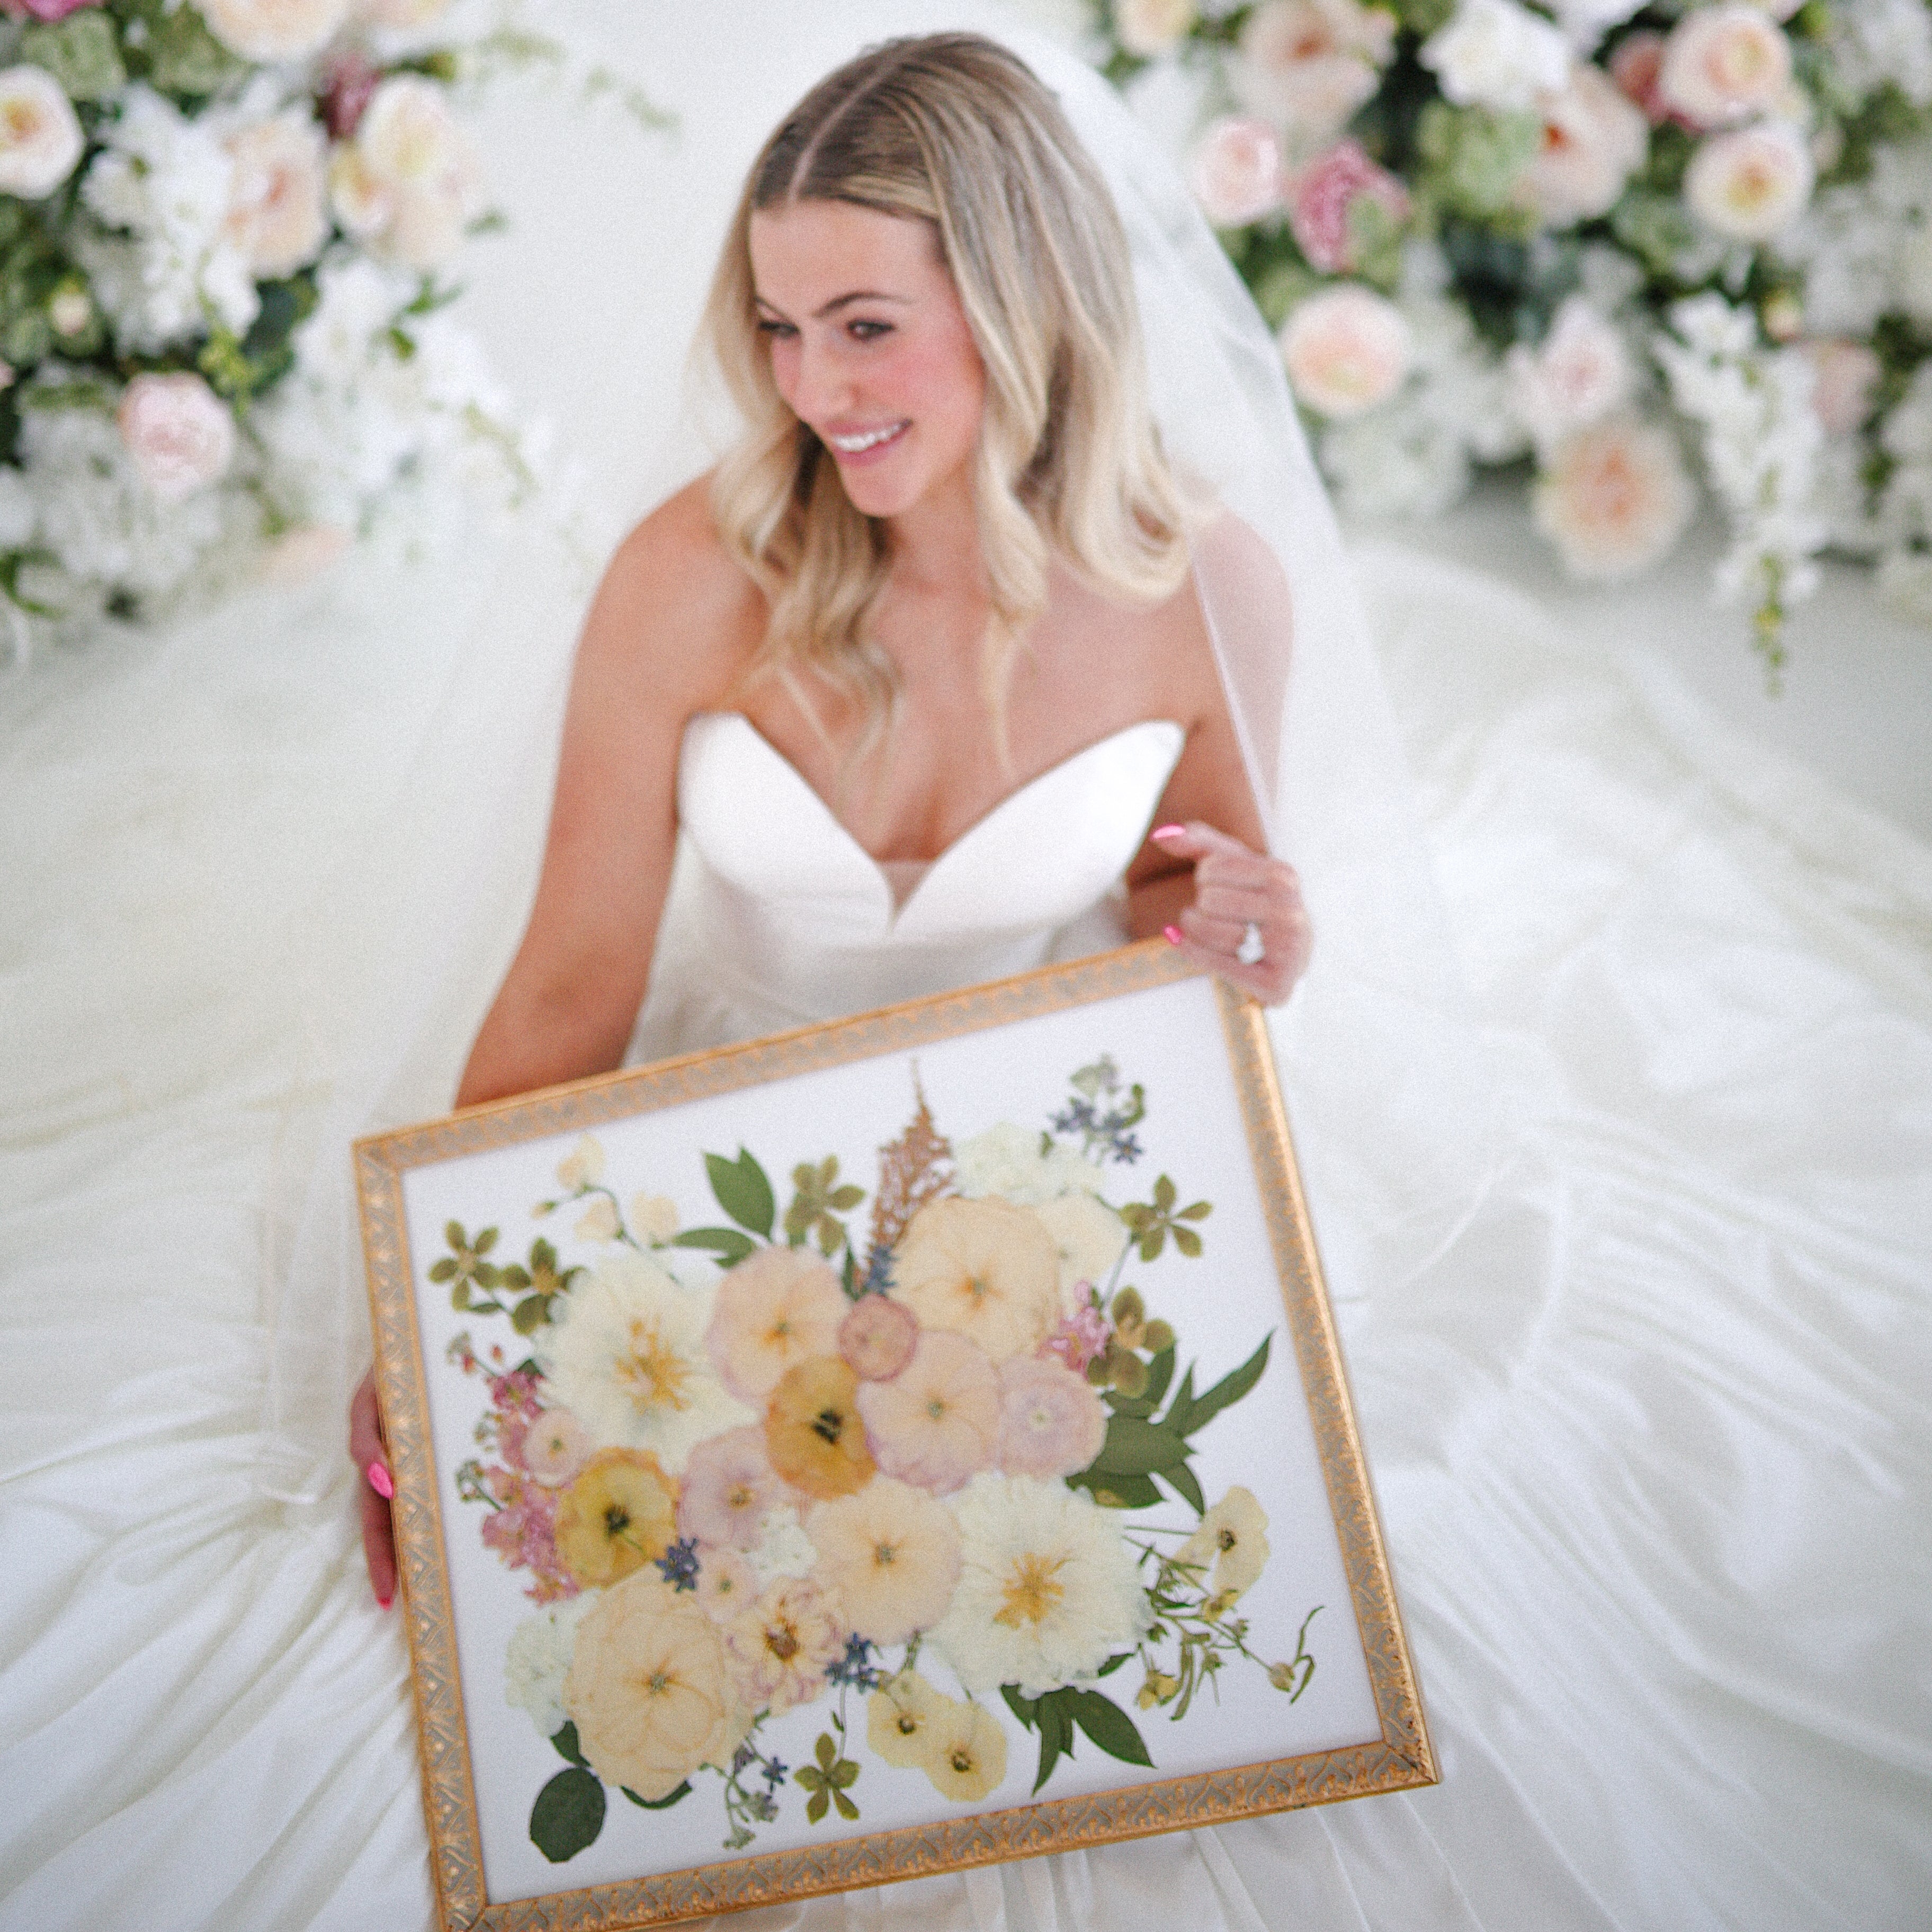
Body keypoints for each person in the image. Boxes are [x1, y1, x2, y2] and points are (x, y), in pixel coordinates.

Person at [349, 33, 1319, 1602]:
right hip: (716, 1163)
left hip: (1026, 1186)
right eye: (782, 329)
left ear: (1029, 303)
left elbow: (1172, 928)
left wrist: (1256, 941)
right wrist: (442, 1336)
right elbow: (569, 985)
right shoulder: (688, 578)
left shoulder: (1209, 593)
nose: (813, 390)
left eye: (866, 327)